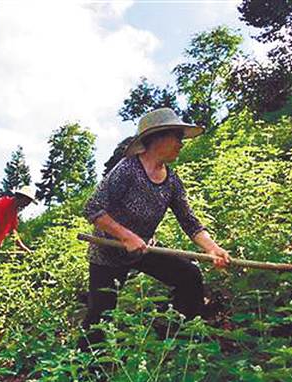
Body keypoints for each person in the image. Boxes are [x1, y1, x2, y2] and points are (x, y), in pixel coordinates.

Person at [80, 107, 231, 351]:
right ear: (157, 138)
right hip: (107, 253)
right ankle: (85, 370)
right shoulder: (128, 169)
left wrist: (213, 249)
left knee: (189, 276)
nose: (181, 144)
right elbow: (93, 209)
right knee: (100, 315)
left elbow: (189, 221)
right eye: (177, 137)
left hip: (143, 248)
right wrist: (126, 236)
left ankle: (183, 341)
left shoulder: (171, 180)